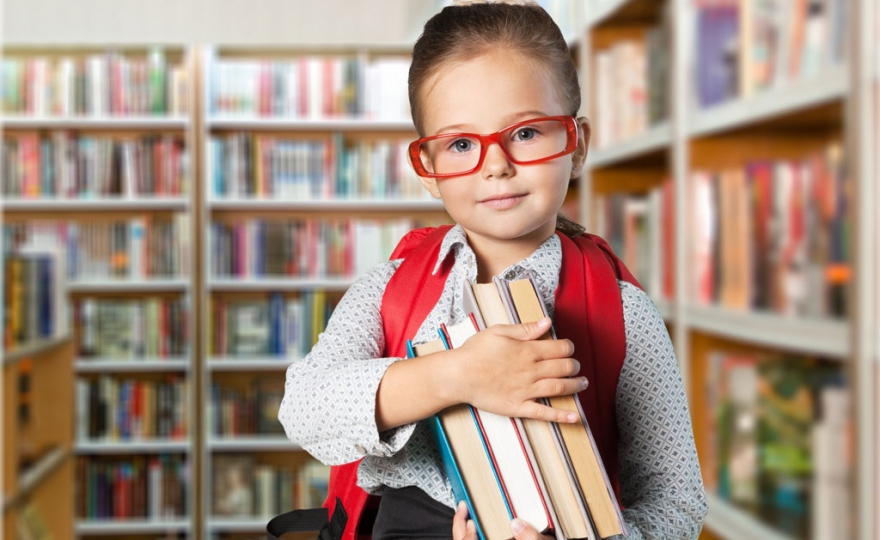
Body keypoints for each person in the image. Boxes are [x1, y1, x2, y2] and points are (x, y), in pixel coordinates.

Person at [278, 2, 708, 539]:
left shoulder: (623, 313)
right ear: (428, 170)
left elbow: (676, 500)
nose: (495, 164)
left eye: (526, 133)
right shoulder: (390, 289)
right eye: (460, 144)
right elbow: (304, 408)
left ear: (576, 145)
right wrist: (459, 375)